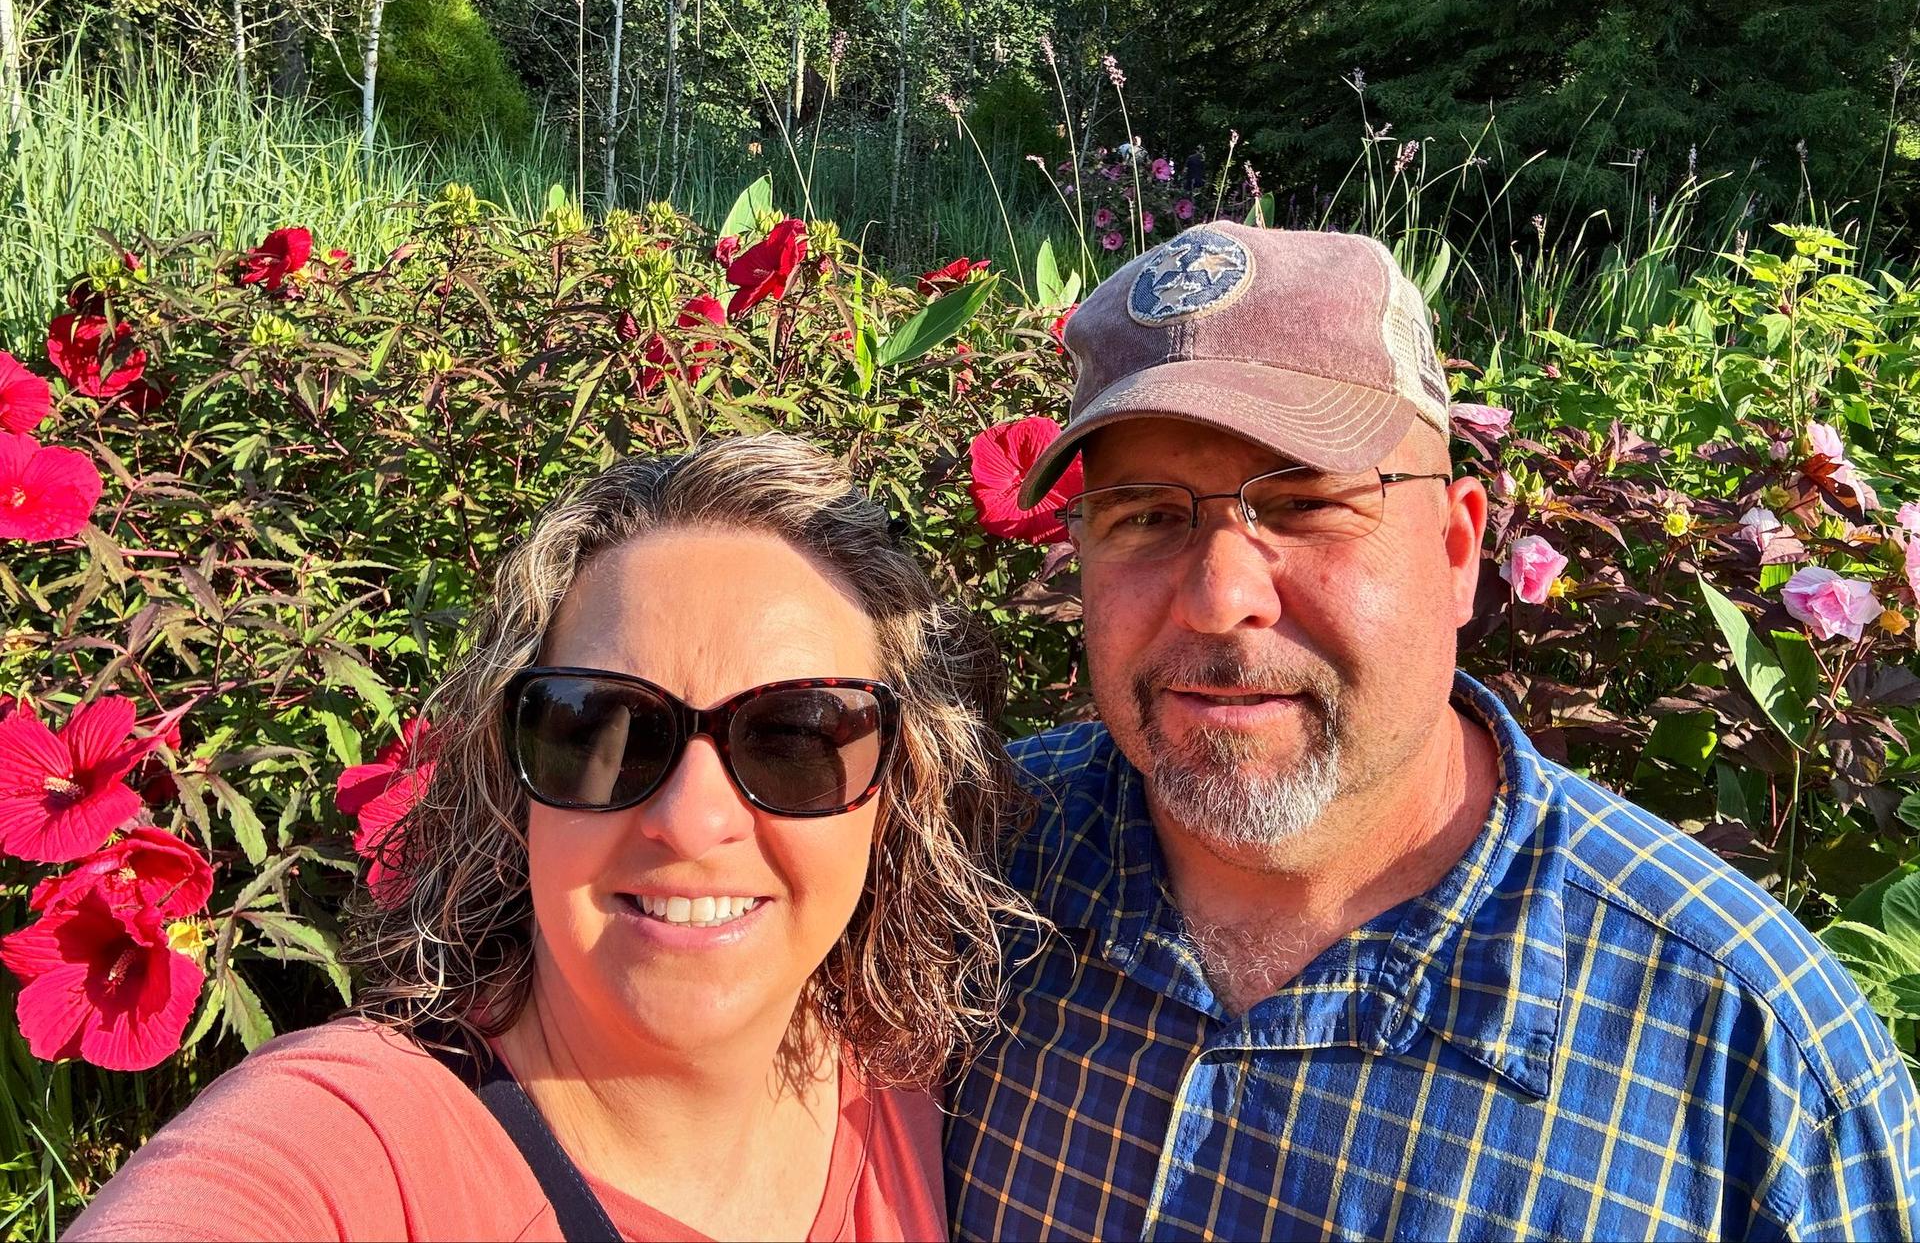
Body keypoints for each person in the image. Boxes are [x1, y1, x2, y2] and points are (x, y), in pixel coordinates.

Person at [947, 222, 1920, 1240]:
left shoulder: (1750, 1058)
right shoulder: (970, 861)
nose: (1220, 595)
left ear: (1458, 550)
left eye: (1307, 502)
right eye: (1145, 517)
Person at [72, 435, 1030, 1242]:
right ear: (510, 774)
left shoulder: (909, 1082)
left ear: (899, 788)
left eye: (795, 737)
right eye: (600, 726)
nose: (690, 819)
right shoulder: (360, 1148)